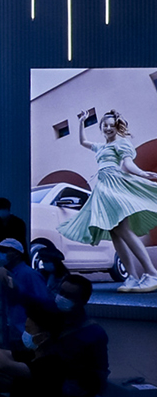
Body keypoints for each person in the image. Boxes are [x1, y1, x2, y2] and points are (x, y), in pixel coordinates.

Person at [58, 109, 157, 292]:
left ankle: (151, 273)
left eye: (112, 125)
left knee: (123, 230)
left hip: (114, 185)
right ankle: (132, 277)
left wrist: (142, 173)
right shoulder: (100, 147)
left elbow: (127, 163)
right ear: (101, 127)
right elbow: (83, 142)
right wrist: (81, 122)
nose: (109, 128)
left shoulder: (121, 143)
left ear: (117, 127)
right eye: (105, 125)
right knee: (114, 233)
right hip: (103, 188)